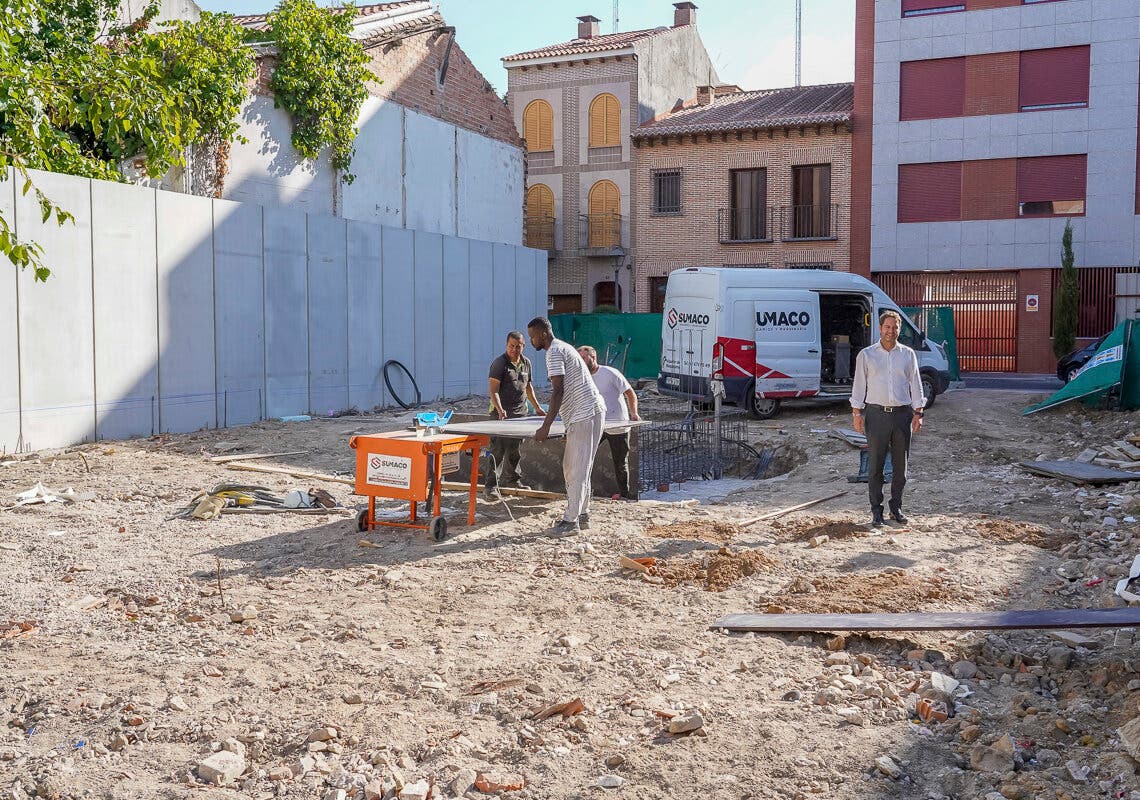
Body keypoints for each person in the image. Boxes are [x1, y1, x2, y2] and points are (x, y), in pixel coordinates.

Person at [527, 317, 606, 534]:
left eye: (533, 336)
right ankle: (583, 514)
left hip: (584, 413)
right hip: (591, 411)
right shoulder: (564, 347)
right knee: (582, 467)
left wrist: (545, 427)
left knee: (574, 469)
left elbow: (558, 390)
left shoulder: (553, 352)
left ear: (543, 334)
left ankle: (571, 522)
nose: (531, 340)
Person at [850, 310, 926, 527]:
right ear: (880, 328)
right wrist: (857, 413)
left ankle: (896, 507)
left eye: (895, 327)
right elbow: (859, 386)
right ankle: (876, 511)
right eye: (887, 327)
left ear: (899, 329)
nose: (890, 331)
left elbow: (915, 383)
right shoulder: (867, 355)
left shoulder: (907, 354)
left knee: (901, 468)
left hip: (902, 415)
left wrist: (918, 413)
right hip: (876, 415)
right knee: (875, 466)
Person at [578, 345, 640, 499]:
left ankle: (625, 495)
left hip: (618, 424)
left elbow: (630, 393)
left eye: (584, 358)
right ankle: (582, 491)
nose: (582, 361)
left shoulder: (610, 373)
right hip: (596, 423)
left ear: (593, 357)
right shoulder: (581, 377)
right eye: (579, 358)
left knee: (620, 463)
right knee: (584, 456)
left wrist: (634, 413)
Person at [486, 331, 543, 497]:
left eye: (518, 346)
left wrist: (537, 407)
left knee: (515, 450)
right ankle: (491, 486)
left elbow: (528, 387)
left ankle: (513, 480)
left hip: (520, 414)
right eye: (511, 346)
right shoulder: (499, 363)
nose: (514, 349)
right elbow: (493, 391)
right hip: (501, 415)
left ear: (523, 346)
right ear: (506, 345)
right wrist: (499, 409)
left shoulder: (526, 363)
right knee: (497, 450)